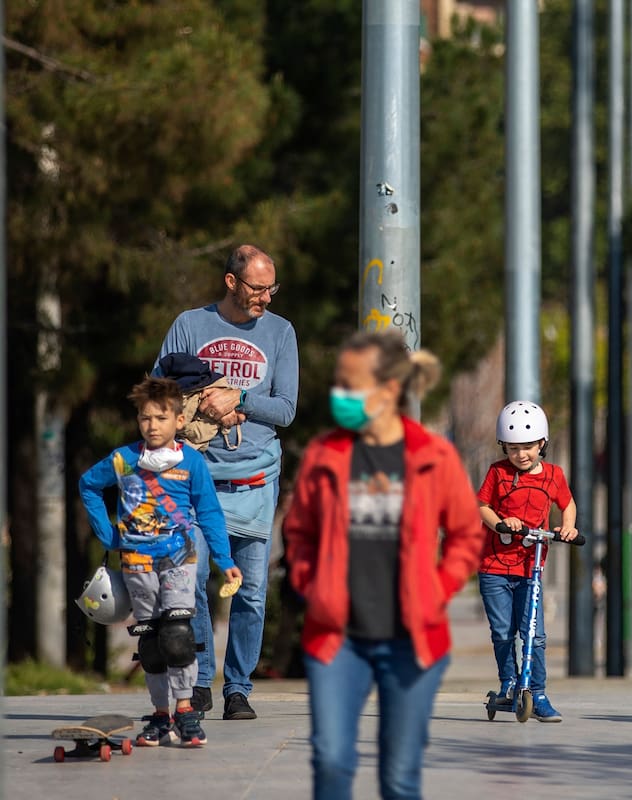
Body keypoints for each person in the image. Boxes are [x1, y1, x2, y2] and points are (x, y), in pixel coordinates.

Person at [282, 330, 483, 800]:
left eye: (351, 386)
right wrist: (313, 586)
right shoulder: (325, 454)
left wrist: (438, 588)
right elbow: (299, 533)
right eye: (338, 383)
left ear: (389, 390)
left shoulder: (434, 456)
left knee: (399, 778)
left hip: (411, 641)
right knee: (331, 760)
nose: (340, 396)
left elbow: (466, 534)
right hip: (337, 640)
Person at [155, 244, 298, 721]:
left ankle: (239, 687)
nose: (267, 298)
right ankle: (199, 683)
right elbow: (159, 392)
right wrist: (198, 402)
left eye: (271, 288)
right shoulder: (189, 326)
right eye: (258, 289)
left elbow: (286, 409)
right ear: (231, 282)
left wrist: (240, 400)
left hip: (255, 477)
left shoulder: (281, 333)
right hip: (196, 479)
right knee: (192, 582)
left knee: (251, 590)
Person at [79, 377, 242, 747]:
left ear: (178, 421)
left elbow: (210, 512)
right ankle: (159, 715)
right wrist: (107, 535)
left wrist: (223, 558)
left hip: (179, 557)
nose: (152, 426)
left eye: (160, 418)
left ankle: (185, 710)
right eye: (145, 418)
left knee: (178, 635)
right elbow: (88, 484)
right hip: (136, 560)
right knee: (151, 640)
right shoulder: (124, 460)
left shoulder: (192, 462)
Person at [477, 400, 579, 722]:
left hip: (530, 568)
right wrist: (502, 522)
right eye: (513, 448)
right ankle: (508, 683)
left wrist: (568, 526)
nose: (521, 455)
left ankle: (538, 693)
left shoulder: (553, 475)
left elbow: (568, 503)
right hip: (494, 567)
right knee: (503, 631)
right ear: (504, 446)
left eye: (529, 447)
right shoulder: (497, 472)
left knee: (535, 634)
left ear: (542, 444)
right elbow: (481, 507)